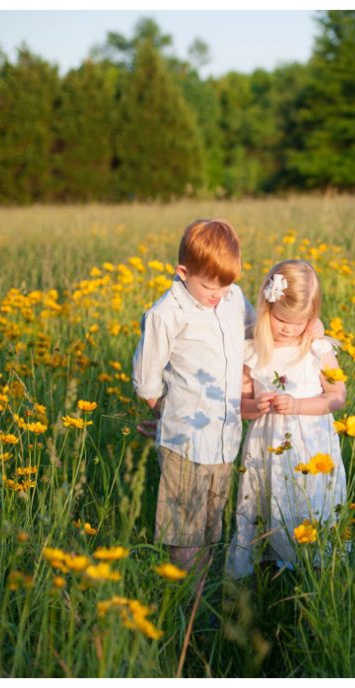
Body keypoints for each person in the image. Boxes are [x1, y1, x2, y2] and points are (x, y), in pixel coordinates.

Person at [131, 218, 255, 577]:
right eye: (208, 285)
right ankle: (188, 605)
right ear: (183, 272)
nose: (218, 293)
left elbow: (250, 333)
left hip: (224, 439)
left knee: (211, 528)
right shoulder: (166, 314)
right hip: (186, 443)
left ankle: (205, 602)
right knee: (184, 532)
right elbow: (147, 380)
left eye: (226, 284)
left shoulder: (233, 299)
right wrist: (169, 416)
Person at [226, 260, 347, 579]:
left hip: (313, 450)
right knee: (267, 503)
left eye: (299, 322)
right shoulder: (253, 351)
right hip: (268, 449)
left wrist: (297, 404)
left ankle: (318, 578)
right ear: (266, 309)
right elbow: (240, 404)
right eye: (281, 320)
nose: (289, 329)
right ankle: (265, 577)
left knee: (311, 506)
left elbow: (337, 396)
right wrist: (256, 405)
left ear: (312, 317)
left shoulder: (317, 348)